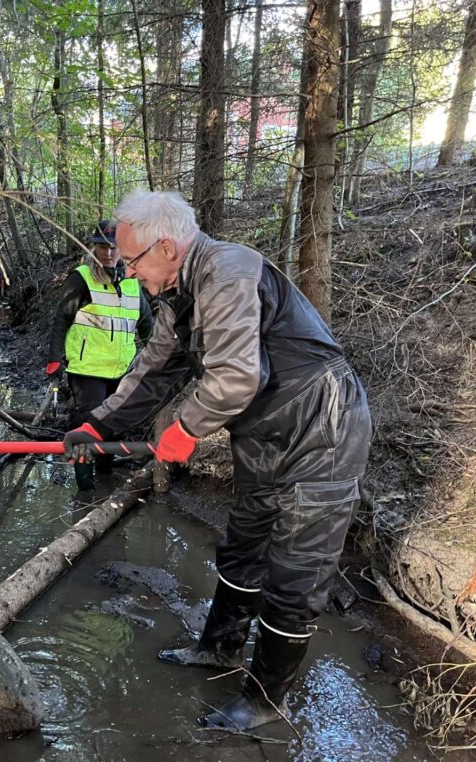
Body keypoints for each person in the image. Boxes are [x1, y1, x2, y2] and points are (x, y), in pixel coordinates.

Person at [63, 191, 372, 731]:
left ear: (167, 245)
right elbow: (154, 369)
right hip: (263, 431)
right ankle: (220, 649)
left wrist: (184, 432)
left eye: (132, 261)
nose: (129, 273)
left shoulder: (228, 269)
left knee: (295, 572)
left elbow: (236, 377)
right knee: (243, 543)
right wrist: (99, 424)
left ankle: (263, 701)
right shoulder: (177, 292)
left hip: (321, 425)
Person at [47, 219, 153, 491]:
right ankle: (85, 489)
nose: (108, 253)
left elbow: (145, 324)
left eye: (114, 247)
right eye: (102, 247)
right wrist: (54, 358)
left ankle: (105, 479)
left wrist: (157, 358)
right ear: (93, 248)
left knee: (114, 426)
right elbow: (61, 320)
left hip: (122, 370)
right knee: (87, 425)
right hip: (87, 369)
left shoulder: (132, 281)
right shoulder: (81, 278)